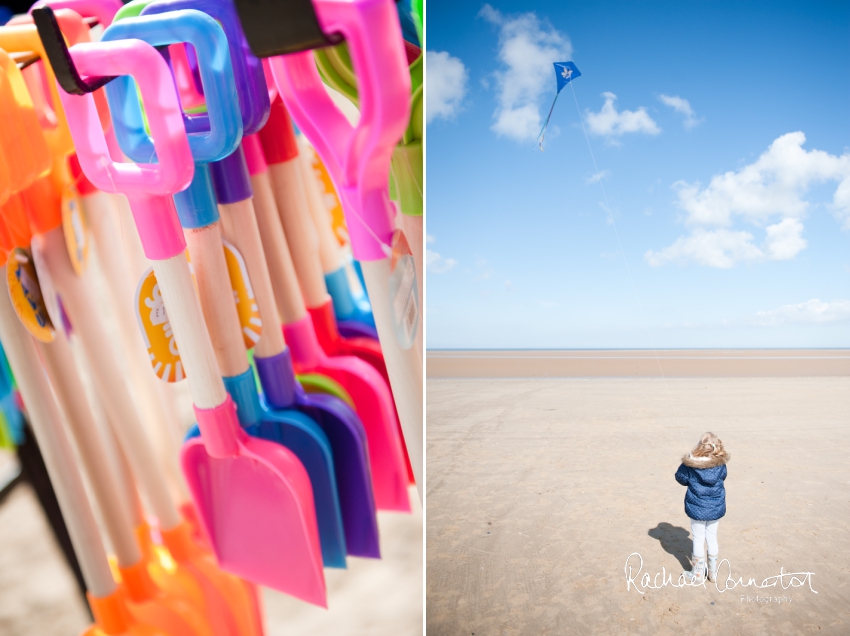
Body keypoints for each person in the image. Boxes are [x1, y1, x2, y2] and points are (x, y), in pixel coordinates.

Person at [674, 432, 730, 584]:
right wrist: (688, 463)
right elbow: (681, 478)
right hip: (714, 506)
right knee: (711, 538)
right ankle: (712, 573)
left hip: (698, 505)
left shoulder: (696, 463)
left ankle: (699, 574)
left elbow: (680, 478)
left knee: (699, 539)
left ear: (700, 446)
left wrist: (689, 466)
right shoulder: (719, 464)